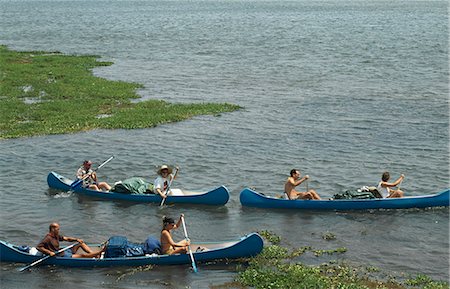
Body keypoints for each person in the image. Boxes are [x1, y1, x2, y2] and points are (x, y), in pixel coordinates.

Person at [37, 223, 104, 258]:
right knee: (81, 255)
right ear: (52, 229)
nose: (59, 230)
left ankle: (92, 254)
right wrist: (49, 252)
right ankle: (96, 254)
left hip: (62, 251)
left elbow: (67, 239)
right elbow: (39, 247)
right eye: (58, 229)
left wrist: (76, 239)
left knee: (80, 243)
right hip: (59, 255)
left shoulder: (56, 236)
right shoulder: (48, 238)